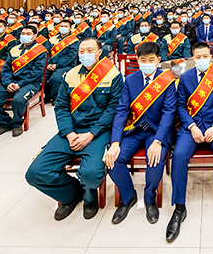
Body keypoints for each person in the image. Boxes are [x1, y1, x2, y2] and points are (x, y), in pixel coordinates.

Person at [25, 38, 123, 221]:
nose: (85, 54)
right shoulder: (70, 75)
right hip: (71, 130)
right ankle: (71, 194)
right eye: (82, 51)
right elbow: (61, 106)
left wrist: (91, 134)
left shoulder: (112, 74)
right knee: (35, 173)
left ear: (99, 52)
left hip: (98, 132)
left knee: (91, 174)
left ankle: (89, 194)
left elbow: (113, 109)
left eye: (90, 50)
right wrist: (69, 133)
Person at [167, 42, 213, 243]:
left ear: (210, 56)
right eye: (198, 57)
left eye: (205, 56)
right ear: (193, 58)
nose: (202, 60)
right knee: (179, 156)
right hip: (191, 128)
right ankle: (179, 207)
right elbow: (180, 106)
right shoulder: (185, 77)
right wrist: (192, 126)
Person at [105, 41, 177, 225]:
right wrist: (115, 142)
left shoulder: (167, 80)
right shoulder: (130, 80)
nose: (147, 63)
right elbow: (121, 111)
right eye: (143, 60)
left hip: (156, 131)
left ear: (158, 60)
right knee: (113, 160)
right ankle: (128, 197)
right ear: (137, 60)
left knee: (155, 161)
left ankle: (149, 199)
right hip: (135, 129)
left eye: (151, 60)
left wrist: (158, 141)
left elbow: (169, 112)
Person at [0, 25, 47, 137]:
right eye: (23, 34)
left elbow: (36, 73)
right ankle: (4, 123)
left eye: (28, 34)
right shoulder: (14, 49)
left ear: (35, 35)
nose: (25, 36)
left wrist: (19, 84)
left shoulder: (40, 51)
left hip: (30, 83)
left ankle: (17, 123)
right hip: (12, 82)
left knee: (18, 100)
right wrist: (8, 83)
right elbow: (6, 69)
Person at [44, 19, 80, 102]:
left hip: (66, 65)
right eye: (62, 26)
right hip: (50, 64)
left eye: (65, 26)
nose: (63, 28)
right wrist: (48, 64)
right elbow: (47, 53)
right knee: (42, 77)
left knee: (55, 79)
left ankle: (55, 97)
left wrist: (57, 65)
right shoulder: (52, 39)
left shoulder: (74, 40)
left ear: (70, 28)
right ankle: (47, 96)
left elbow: (70, 56)